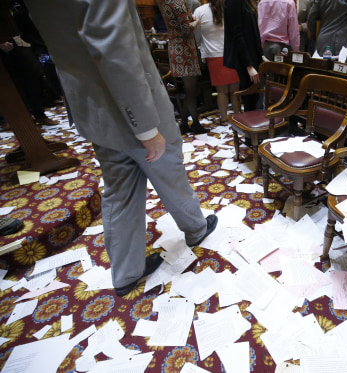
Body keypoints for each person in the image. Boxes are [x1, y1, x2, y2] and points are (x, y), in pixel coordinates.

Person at [24, 0, 218, 297]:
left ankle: (126, 272)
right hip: (135, 108)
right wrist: (146, 128)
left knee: (119, 189)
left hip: (92, 108)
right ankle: (195, 229)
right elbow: (114, 51)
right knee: (169, 174)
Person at [157, 0, 209, 134]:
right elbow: (187, 29)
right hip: (185, 48)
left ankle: (184, 123)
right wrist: (196, 21)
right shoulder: (178, 3)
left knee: (189, 89)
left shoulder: (165, 2)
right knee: (192, 90)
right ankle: (195, 124)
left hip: (176, 46)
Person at [194, 0, 241, 125]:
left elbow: (197, 35)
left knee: (221, 91)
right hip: (233, 53)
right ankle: (238, 117)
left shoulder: (200, 11)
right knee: (235, 91)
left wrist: (202, 50)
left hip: (213, 54)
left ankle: (224, 119)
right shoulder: (232, 7)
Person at [224, 0, 262, 112]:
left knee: (254, 97)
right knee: (249, 98)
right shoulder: (234, 2)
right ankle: (249, 127)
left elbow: (253, 32)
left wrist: (260, 54)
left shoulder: (247, 3)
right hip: (245, 59)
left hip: (252, 56)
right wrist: (248, 65)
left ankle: (252, 125)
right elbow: (237, 34)